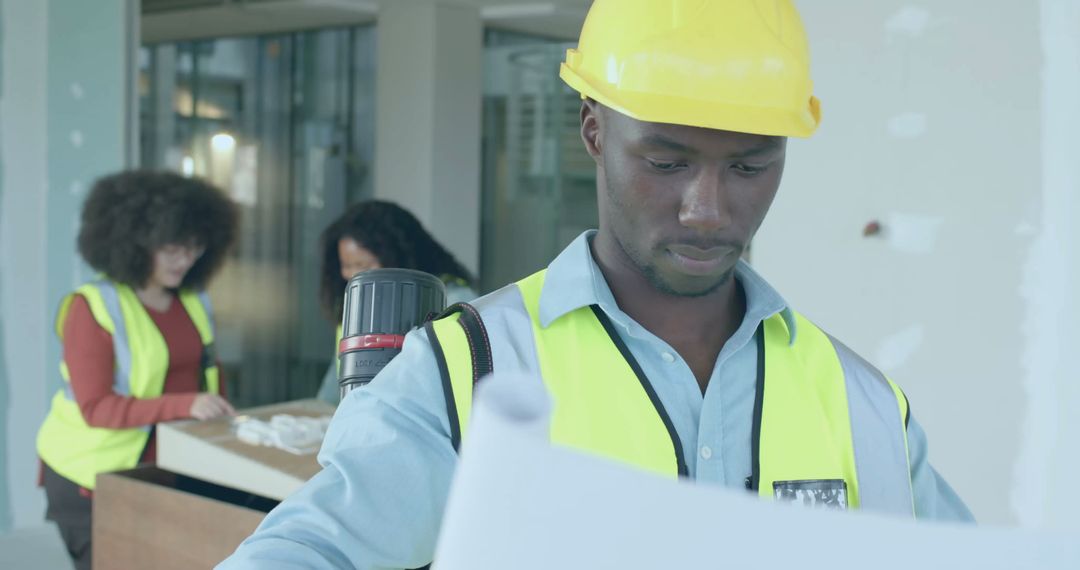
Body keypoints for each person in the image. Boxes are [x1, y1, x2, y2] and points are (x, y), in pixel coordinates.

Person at [221, 1, 972, 567]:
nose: (707, 209)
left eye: (749, 166)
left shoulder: (861, 403)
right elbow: (311, 550)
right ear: (593, 131)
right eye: (666, 161)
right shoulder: (465, 372)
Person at [36, 170, 239, 569]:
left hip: (161, 470)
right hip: (89, 475)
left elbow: (207, 375)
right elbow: (96, 407)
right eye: (173, 248)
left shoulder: (194, 300)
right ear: (136, 240)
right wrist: (187, 405)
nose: (186, 259)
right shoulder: (92, 307)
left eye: (196, 247)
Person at [315, 200, 476, 404]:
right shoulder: (358, 307)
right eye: (346, 265)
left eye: (361, 265)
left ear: (397, 257)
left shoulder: (455, 303)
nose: (352, 275)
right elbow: (333, 388)